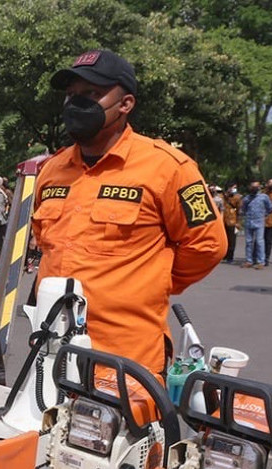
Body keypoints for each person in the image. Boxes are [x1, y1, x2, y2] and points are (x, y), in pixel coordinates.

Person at [34, 49, 226, 377]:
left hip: (126, 359)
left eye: (92, 94)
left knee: (130, 430)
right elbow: (46, 244)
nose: (77, 104)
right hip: (51, 351)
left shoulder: (167, 167)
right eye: (71, 95)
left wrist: (149, 282)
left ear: (126, 104)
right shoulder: (52, 170)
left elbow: (207, 245)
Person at [240, 181, 272, 269]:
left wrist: (264, 215)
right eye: (252, 187)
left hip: (259, 221)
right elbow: (243, 209)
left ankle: (261, 262)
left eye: (255, 187)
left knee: (259, 242)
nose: (253, 189)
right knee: (249, 242)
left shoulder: (264, 197)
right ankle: (249, 261)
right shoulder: (247, 198)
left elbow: (270, 208)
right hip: (249, 221)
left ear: (259, 188)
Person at [222, 185, 242, 263]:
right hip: (223, 221)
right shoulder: (223, 197)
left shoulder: (237, 198)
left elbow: (239, 211)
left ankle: (230, 257)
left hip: (233, 222)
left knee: (232, 240)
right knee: (224, 239)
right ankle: (224, 255)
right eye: (231, 188)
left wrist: (238, 222)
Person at [265, 180, 272, 266]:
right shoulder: (264, 194)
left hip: (270, 221)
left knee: (268, 240)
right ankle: (263, 258)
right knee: (263, 240)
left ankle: (266, 257)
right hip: (264, 221)